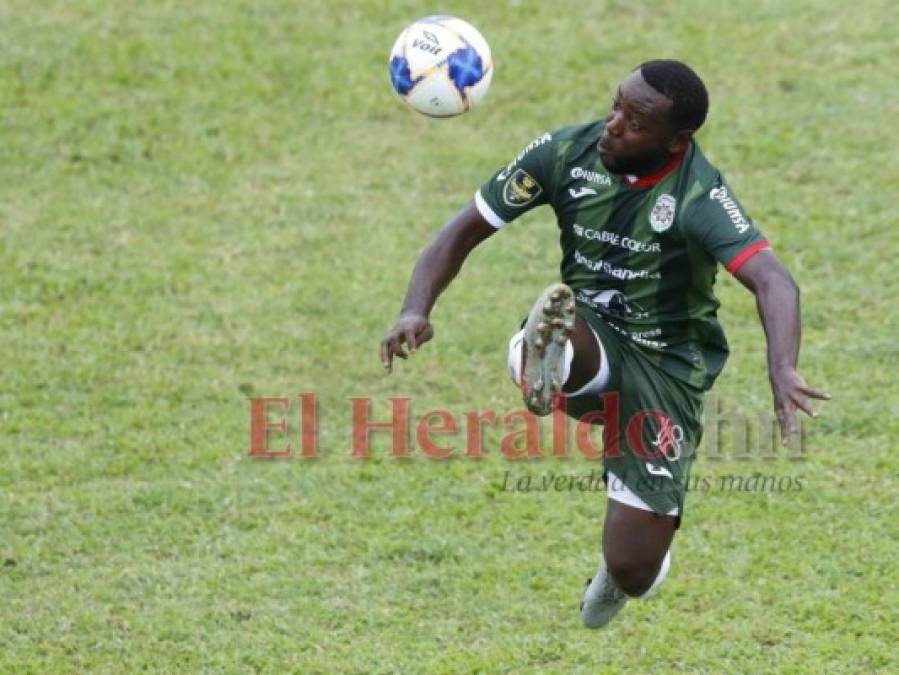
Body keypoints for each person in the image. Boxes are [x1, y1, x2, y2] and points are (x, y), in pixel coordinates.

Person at [380, 60, 829, 629]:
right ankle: (544, 354)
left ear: (675, 140)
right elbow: (465, 227)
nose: (613, 124)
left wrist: (783, 368)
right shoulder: (566, 154)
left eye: (635, 121)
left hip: (666, 372)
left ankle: (627, 568)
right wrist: (415, 307)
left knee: (633, 567)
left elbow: (773, 279)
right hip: (591, 329)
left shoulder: (699, 197)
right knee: (567, 327)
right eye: (616, 104)